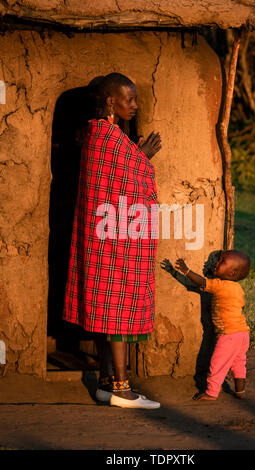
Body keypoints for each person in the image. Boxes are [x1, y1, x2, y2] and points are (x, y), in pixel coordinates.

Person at [63, 73, 161, 409]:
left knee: (109, 309)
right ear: (110, 103)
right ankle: (121, 389)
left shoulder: (108, 136)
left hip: (106, 238)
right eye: (128, 99)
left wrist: (135, 154)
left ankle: (106, 383)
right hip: (114, 240)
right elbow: (126, 183)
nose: (134, 106)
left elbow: (120, 175)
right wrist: (142, 157)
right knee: (118, 309)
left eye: (134, 100)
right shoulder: (106, 136)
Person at [161, 250, 250, 401]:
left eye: (222, 262)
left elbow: (201, 282)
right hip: (243, 333)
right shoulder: (238, 289)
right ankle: (240, 391)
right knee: (239, 362)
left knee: (217, 364)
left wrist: (186, 270)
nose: (216, 263)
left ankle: (211, 393)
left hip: (228, 334)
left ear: (233, 273)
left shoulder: (220, 285)